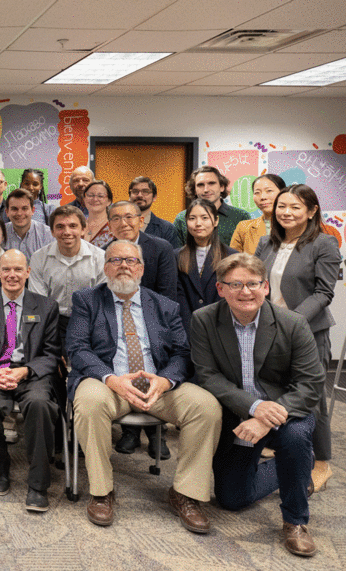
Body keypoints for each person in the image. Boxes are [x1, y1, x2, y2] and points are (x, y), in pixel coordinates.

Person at [68, 240, 221, 532]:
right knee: (88, 401)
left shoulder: (164, 305)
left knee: (206, 406)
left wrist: (164, 381)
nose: (123, 265)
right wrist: (111, 378)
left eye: (130, 260)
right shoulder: (86, 300)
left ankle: (186, 494)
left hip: (158, 386)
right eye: (115, 260)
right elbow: (77, 348)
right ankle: (102, 492)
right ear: (105, 267)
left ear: (141, 268)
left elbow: (182, 353)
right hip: (111, 385)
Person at [190, 253, 325, 557]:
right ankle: (296, 466)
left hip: (287, 411)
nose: (245, 291)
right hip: (239, 414)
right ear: (220, 288)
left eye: (253, 283)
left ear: (265, 287)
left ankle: (295, 522)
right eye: (235, 284)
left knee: (294, 438)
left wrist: (266, 416)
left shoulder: (293, 324)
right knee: (232, 498)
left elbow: (311, 383)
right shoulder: (204, 320)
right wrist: (253, 408)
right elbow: (207, 375)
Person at [256, 184, 341, 493]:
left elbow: (324, 292)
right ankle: (282, 444)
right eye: (282, 206)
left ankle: (321, 463)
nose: (286, 212)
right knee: (274, 389)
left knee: (312, 397)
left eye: (294, 207)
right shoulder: (267, 243)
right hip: (268, 330)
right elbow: (256, 283)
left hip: (307, 332)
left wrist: (291, 321)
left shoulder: (324, 243)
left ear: (311, 211)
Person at [0, 249, 61, 511]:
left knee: (41, 405)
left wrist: (25, 371)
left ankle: (38, 485)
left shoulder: (46, 306)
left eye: (18, 269)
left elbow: (51, 354)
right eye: (6, 269)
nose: (12, 275)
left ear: (28, 272)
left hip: (30, 373)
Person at [107, 199, 180, 457]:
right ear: (109, 224)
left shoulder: (161, 248)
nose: (123, 223)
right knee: (124, 361)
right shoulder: (108, 252)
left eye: (129, 217)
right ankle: (130, 433)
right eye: (116, 218)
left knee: (152, 362)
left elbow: (168, 293)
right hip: (119, 321)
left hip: (155, 323)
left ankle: (156, 434)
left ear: (141, 219)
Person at [29, 205, 106, 349]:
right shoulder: (39, 258)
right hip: (53, 321)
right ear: (52, 231)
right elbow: (38, 302)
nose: (66, 232)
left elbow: (101, 301)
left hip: (90, 321)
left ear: (83, 229)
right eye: (60, 227)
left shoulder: (100, 257)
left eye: (73, 226)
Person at [175, 198, 235, 336]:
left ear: (215, 221)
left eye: (204, 218)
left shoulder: (231, 256)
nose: (198, 223)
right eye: (192, 218)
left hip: (222, 329)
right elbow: (177, 297)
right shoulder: (176, 257)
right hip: (186, 332)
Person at [174, 165, 251, 246]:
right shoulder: (182, 218)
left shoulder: (241, 217)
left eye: (211, 183)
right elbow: (176, 254)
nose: (206, 190)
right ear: (195, 190)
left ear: (222, 187)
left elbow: (248, 254)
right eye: (200, 185)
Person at [230, 174, 286, 255]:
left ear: (283, 193)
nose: (263, 197)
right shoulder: (243, 228)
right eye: (257, 192)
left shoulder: (296, 225)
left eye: (269, 191)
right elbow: (233, 261)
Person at [129, 176, 179, 249]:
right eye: (135, 191)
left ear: (154, 197)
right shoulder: (120, 225)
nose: (139, 195)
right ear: (130, 196)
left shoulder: (167, 229)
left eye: (145, 191)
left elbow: (172, 258)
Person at [3, 189, 52, 261]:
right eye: (14, 209)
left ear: (33, 210)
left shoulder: (47, 234)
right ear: (7, 212)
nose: (19, 213)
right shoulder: (0, 233)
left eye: (24, 208)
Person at [82, 180, 114, 248]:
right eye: (90, 195)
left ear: (109, 201)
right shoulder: (77, 225)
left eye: (100, 196)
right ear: (84, 199)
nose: (95, 199)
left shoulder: (114, 228)